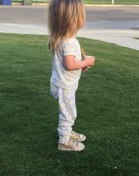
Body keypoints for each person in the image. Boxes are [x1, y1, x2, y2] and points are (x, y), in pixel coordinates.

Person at [48, 0, 95, 151]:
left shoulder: (62, 38)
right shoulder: (69, 42)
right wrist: (87, 61)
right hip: (64, 86)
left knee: (68, 112)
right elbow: (69, 65)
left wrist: (80, 66)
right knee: (68, 114)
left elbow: (69, 64)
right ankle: (64, 141)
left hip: (60, 83)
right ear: (74, 18)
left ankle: (67, 133)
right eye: (82, 14)